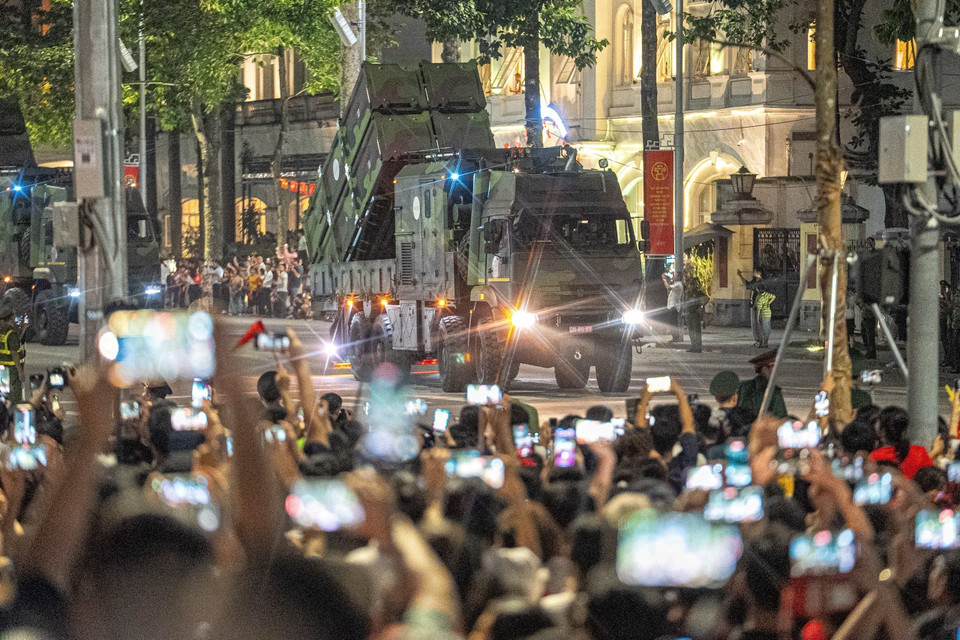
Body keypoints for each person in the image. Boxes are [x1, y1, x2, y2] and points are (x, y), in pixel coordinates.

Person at [736, 350, 787, 418]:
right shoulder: (773, 391)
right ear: (764, 368)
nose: (775, 370)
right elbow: (782, 418)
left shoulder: (742, 386)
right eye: (772, 366)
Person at [0, 304, 25, 404]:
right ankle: (14, 415)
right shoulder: (11, 333)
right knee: (15, 395)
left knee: (4, 393)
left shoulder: (2, 331)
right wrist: (20, 372)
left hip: (2, 369)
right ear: (10, 318)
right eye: (13, 316)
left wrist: (23, 330)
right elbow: (14, 353)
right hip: (12, 369)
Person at [682, 270, 708, 353]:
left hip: (695, 313)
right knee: (691, 331)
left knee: (696, 331)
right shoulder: (686, 293)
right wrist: (683, 311)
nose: (691, 285)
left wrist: (701, 306)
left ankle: (698, 347)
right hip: (688, 313)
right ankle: (693, 346)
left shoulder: (698, 292)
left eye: (693, 284)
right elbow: (683, 302)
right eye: (690, 284)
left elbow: (707, 298)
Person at [737, 267, 763, 346]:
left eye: (754, 271)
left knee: (759, 323)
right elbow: (747, 284)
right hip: (753, 305)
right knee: (754, 323)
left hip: (758, 306)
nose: (753, 272)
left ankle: (761, 340)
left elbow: (759, 295)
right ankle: (757, 340)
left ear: (758, 272)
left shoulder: (761, 283)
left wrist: (755, 304)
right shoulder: (755, 281)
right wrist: (740, 276)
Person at [662, 270, 683, 342]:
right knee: (672, 322)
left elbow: (668, 287)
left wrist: (664, 280)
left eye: (675, 275)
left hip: (674, 306)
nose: (674, 277)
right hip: (671, 305)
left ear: (679, 277)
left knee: (673, 323)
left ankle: (676, 337)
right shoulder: (676, 284)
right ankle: (675, 337)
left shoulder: (678, 284)